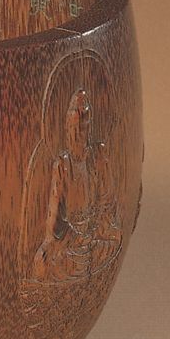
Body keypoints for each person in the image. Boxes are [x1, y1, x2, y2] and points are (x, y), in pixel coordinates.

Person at [32, 89, 122, 282]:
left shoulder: (98, 156)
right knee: (43, 261)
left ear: (89, 127)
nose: (77, 133)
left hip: (95, 233)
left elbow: (108, 203)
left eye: (83, 126)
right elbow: (54, 221)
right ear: (67, 129)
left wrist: (95, 226)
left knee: (112, 241)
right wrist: (73, 235)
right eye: (73, 128)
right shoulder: (63, 165)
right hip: (70, 240)